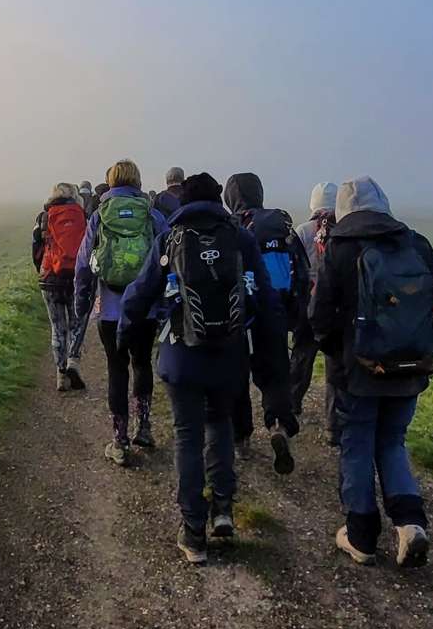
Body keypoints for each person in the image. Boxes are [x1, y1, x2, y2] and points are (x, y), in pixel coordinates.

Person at [121, 172, 288, 564]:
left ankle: (194, 532)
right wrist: (273, 355)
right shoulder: (240, 239)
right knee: (220, 425)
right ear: (219, 202)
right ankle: (223, 509)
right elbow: (266, 300)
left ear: (184, 203)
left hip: (182, 356)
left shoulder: (170, 239)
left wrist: (125, 334)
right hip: (229, 356)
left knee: (187, 436)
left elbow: (140, 293)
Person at [308, 176, 433, 568]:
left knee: (358, 443)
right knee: (393, 441)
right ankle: (410, 524)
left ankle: (361, 535)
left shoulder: (340, 248)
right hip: (411, 367)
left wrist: (339, 354)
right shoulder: (416, 244)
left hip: (359, 372)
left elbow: (319, 316)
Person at [74, 159, 168, 465]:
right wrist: (165, 305)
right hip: (145, 310)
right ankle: (144, 427)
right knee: (142, 364)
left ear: (111, 181)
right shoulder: (152, 216)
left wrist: (81, 303)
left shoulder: (99, 216)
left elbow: (83, 265)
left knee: (116, 369)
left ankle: (119, 440)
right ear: (138, 181)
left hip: (109, 310)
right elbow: (169, 260)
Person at [223, 172, 308, 473]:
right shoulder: (281, 224)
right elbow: (302, 272)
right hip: (276, 312)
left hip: (242, 314)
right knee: (275, 376)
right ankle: (278, 426)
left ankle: (241, 438)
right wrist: (294, 315)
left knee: (237, 376)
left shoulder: (232, 228)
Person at [293, 182, 339, 444]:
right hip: (335, 308)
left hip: (307, 304)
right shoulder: (343, 231)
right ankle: (333, 425)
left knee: (302, 357)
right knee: (335, 366)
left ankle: (291, 408)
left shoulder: (302, 231)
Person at [32, 182, 89, 390]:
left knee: (57, 328)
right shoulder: (82, 215)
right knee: (76, 324)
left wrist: (41, 269)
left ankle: (61, 375)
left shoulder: (44, 217)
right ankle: (73, 361)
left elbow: (36, 248)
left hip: (50, 278)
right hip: (76, 277)